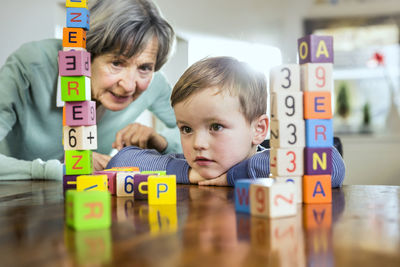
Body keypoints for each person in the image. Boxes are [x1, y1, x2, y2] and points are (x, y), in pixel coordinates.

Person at [0, 0, 182, 180]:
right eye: (117, 63)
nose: (128, 85)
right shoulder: (31, 65)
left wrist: (162, 142)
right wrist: (63, 169)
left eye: (144, 68)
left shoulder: (154, 83)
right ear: (87, 54)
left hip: (88, 198)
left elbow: (198, 135)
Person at [107, 56, 345, 186]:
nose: (198, 143)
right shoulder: (195, 166)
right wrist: (188, 174)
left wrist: (235, 175)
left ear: (259, 129)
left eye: (216, 127)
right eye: (186, 129)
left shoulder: (270, 163)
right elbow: (119, 161)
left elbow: (332, 165)